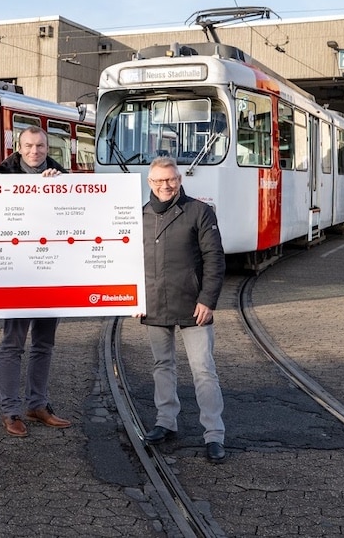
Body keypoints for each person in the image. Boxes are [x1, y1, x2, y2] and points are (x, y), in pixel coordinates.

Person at [138, 156, 227, 463]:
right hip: (154, 303)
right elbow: (129, 262)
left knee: (203, 370)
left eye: (171, 179)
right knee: (162, 365)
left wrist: (208, 300)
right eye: (159, 180)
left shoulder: (199, 211)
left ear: (180, 180)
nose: (165, 185)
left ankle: (214, 434)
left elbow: (215, 259)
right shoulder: (140, 215)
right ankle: (166, 422)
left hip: (194, 305)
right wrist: (134, 299)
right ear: (150, 182)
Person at [0, 125, 72, 437]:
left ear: (47, 148)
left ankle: (37, 404)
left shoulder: (62, 178)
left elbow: (73, 220)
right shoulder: (3, 178)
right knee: (13, 343)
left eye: (40, 146)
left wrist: (57, 189)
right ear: (19, 147)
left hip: (51, 273)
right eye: (28, 146)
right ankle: (11, 410)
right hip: (17, 274)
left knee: (44, 343)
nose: (34, 151)